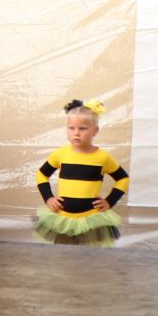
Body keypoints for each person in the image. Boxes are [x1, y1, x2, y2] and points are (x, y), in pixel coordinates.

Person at [34, 99, 129, 247]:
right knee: (64, 254)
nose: (76, 133)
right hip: (63, 220)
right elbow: (41, 174)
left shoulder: (103, 157)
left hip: (92, 220)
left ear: (95, 131)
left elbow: (123, 178)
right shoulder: (60, 154)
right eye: (71, 128)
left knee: (90, 256)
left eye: (82, 128)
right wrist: (48, 198)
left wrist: (110, 201)